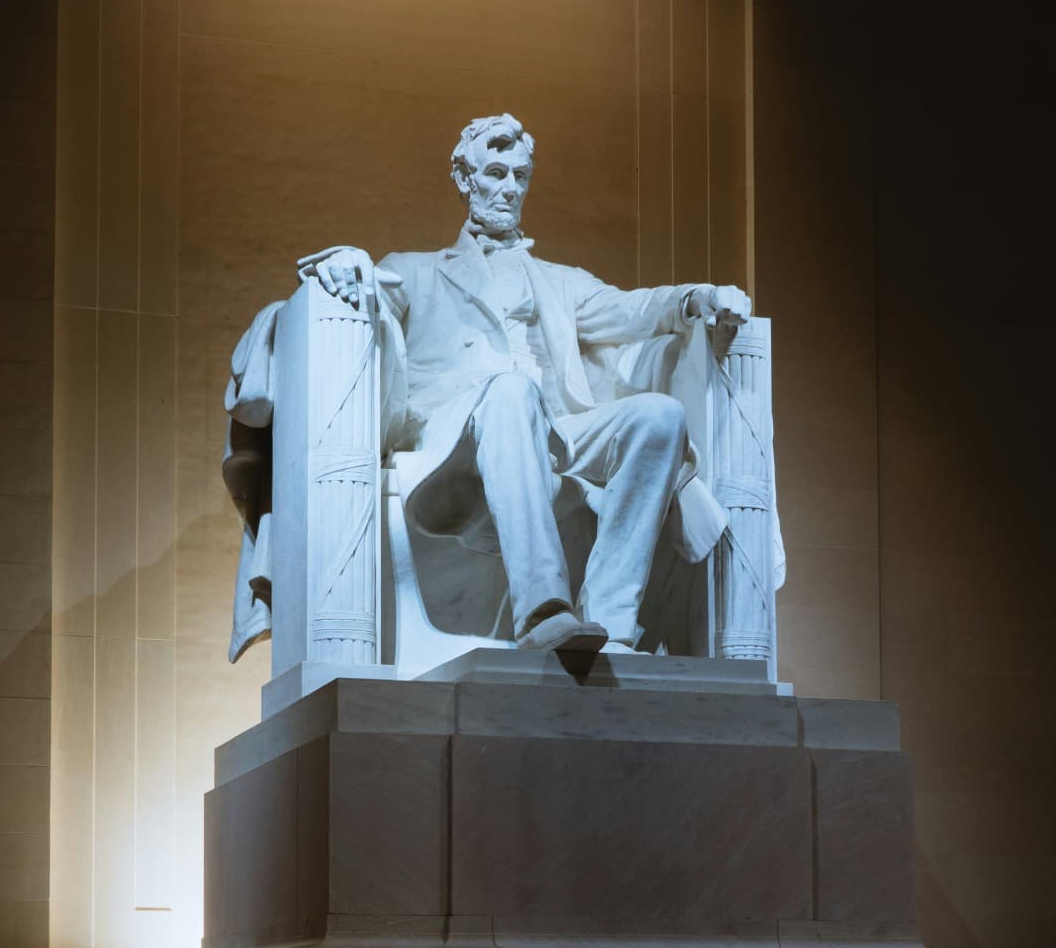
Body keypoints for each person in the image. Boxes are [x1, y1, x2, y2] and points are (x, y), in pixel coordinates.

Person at [299, 114, 751, 655]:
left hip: (550, 431)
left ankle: (611, 620)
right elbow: (374, 310)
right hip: (457, 437)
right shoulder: (415, 270)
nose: (510, 188)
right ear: (465, 179)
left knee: (660, 417)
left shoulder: (562, 282)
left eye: (520, 176)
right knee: (511, 389)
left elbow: (631, 309)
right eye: (496, 173)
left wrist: (696, 299)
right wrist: (351, 263)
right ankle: (544, 611)